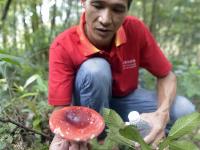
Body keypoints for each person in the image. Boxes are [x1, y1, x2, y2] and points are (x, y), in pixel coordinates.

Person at [48, 0, 195, 149]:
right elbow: (61, 109)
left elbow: (167, 76)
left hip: (124, 102)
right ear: (83, 3)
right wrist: (64, 136)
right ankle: (100, 142)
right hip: (86, 110)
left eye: (117, 10)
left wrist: (162, 114)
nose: (105, 20)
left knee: (184, 109)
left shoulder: (135, 29)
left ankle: (139, 137)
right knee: (95, 69)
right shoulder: (63, 45)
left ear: (126, 11)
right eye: (97, 6)